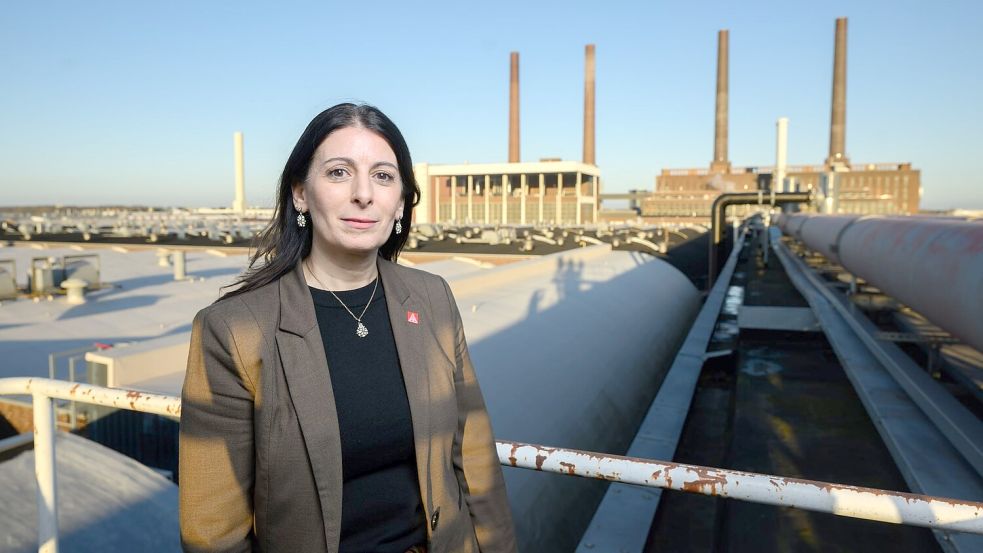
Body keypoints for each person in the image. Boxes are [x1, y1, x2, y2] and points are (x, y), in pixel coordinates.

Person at [179, 103, 517, 553]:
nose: (364, 194)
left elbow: (473, 458)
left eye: (383, 176)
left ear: (400, 200)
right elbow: (212, 531)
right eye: (339, 172)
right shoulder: (234, 330)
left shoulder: (433, 298)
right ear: (300, 193)